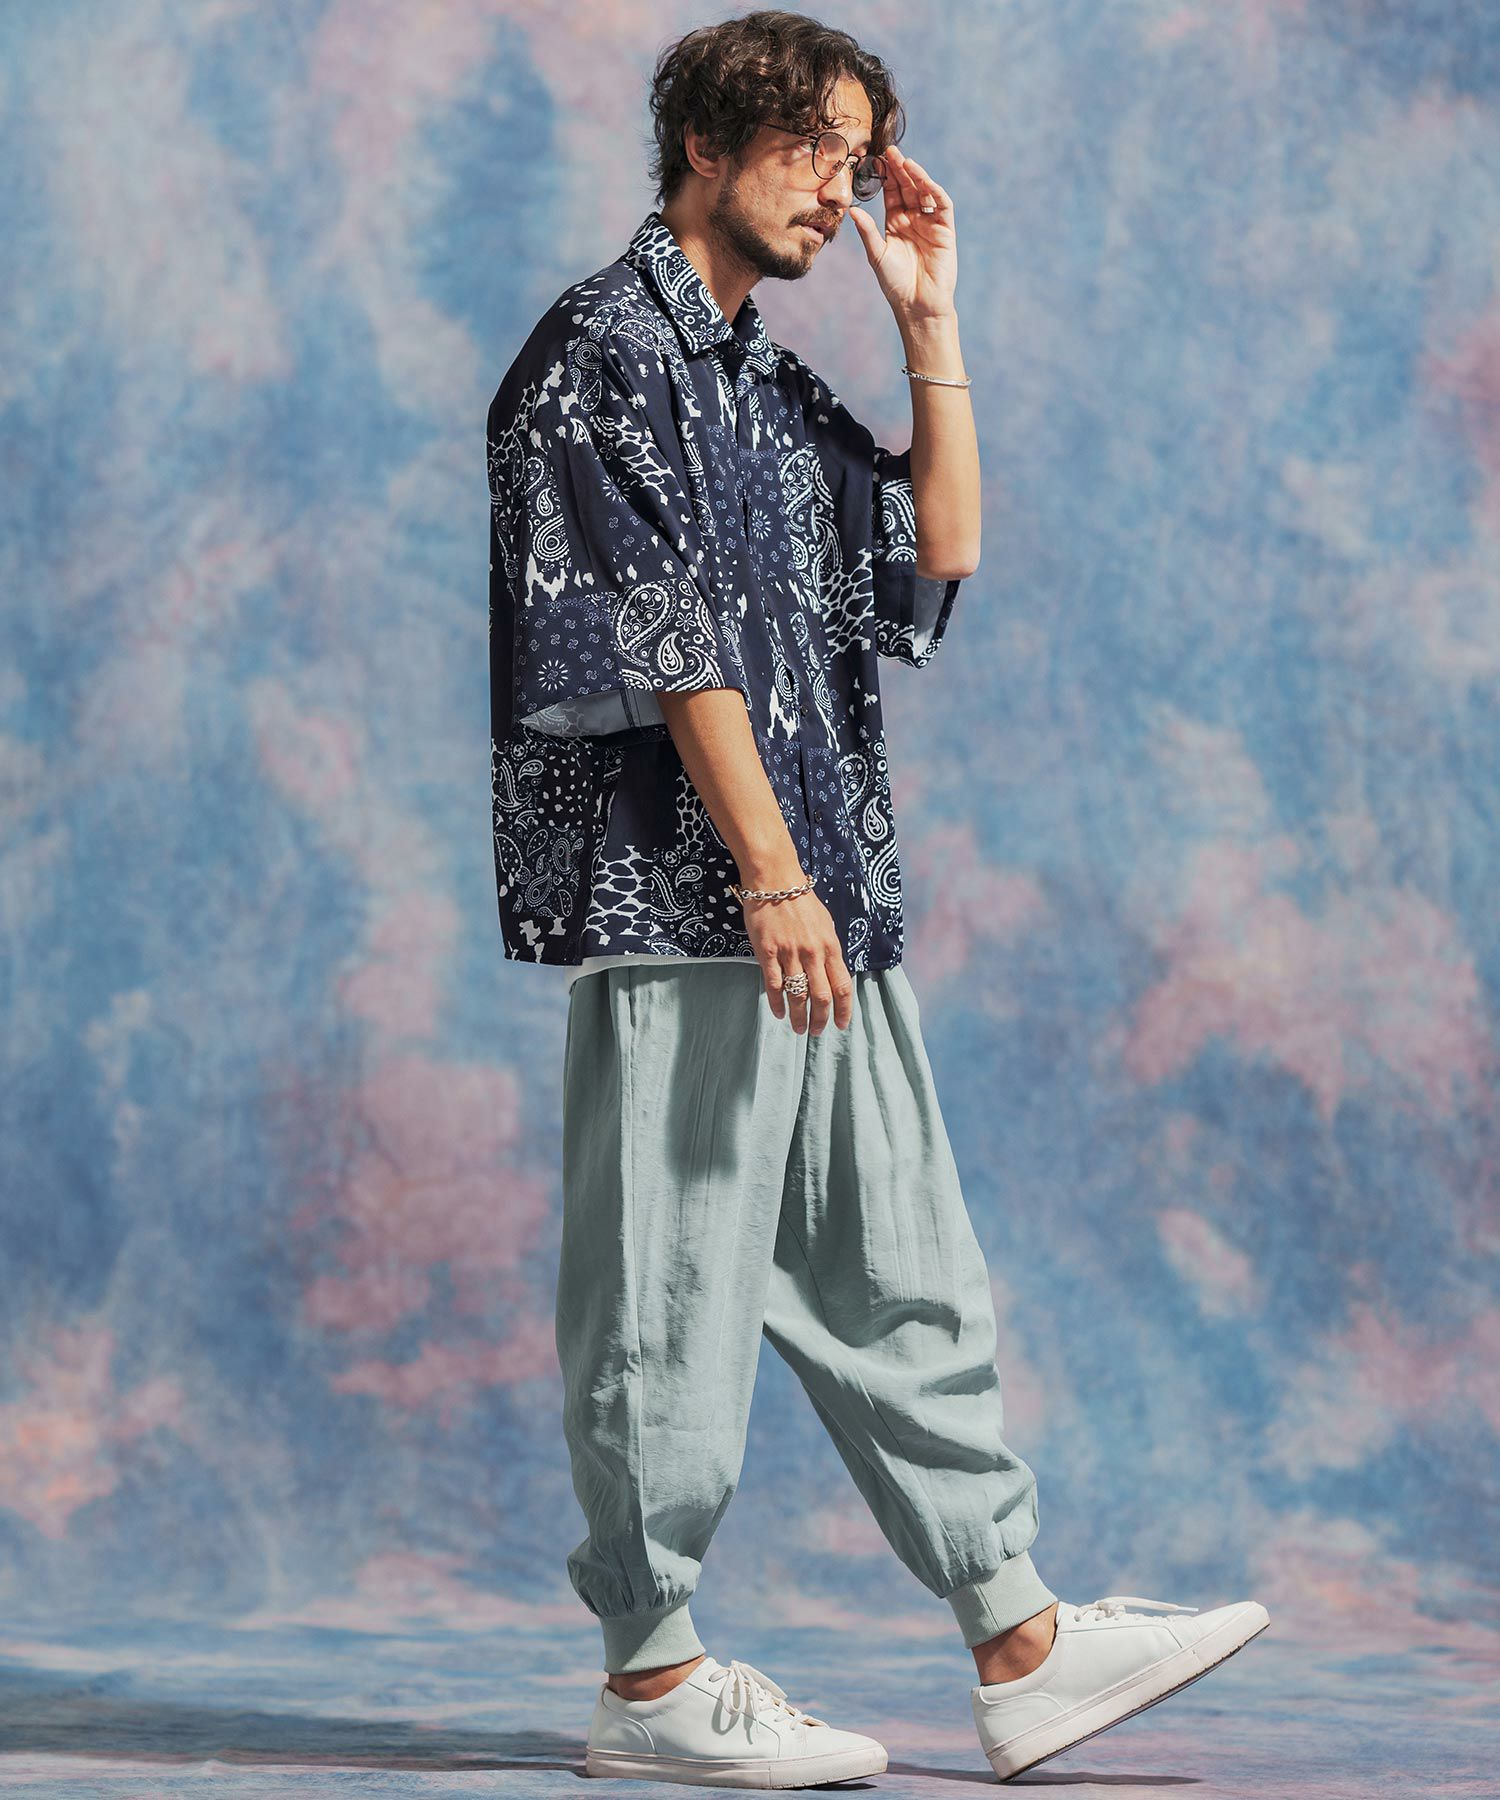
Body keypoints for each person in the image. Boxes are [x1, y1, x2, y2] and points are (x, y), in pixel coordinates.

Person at [487, 9, 1269, 1787]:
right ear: (706, 142)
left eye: (854, 159)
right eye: (810, 152)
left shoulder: (761, 383)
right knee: (670, 1281)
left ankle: (1021, 1640)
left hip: (823, 891)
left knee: (900, 1264)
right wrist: (766, 877)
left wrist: (931, 324)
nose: (838, 192)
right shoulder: (600, 356)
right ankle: (649, 1678)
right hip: (692, 898)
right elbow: (665, 641)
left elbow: (936, 552)